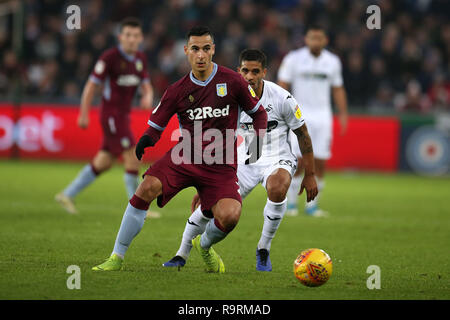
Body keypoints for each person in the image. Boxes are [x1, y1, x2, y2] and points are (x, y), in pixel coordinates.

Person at [91, 26, 268, 273]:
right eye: (195, 49)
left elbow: (259, 114)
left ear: (213, 50)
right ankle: (116, 257)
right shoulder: (177, 90)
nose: (201, 55)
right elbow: (156, 124)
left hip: (221, 165)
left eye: (206, 48)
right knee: (146, 187)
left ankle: (203, 245)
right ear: (186, 51)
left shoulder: (233, 81)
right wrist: (145, 140)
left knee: (230, 216)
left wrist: (257, 143)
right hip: (185, 156)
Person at [162, 49, 318, 271]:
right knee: (210, 208)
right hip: (246, 157)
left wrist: (310, 175)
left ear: (264, 72)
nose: (250, 76)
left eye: (256, 71)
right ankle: (182, 254)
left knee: (278, 187)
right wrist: (207, 181)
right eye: (245, 70)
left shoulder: (282, 98)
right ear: (239, 71)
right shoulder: (229, 100)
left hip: (278, 158)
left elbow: (303, 134)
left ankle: (263, 249)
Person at [55, 17, 160, 218]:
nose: (131, 39)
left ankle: (67, 195)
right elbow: (91, 86)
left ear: (140, 38)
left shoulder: (140, 59)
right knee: (132, 156)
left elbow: (146, 83)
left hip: (123, 115)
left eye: (135, 36)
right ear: (120, 37)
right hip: (111, 115)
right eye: (127, 35)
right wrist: (83, 113)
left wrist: (147, 94)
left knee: (104, 162)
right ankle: (137, 209)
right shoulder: (109, 58)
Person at [278, 24, 348, 217]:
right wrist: (280, 111)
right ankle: (291, 205)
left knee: (320, 161)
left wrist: (342, 113)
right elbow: (282, 85)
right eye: (312, 38)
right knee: (298, 160)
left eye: (319, 38)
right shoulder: (293, 59)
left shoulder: (332, 61)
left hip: (323, 116)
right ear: (306, 40)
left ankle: (312, 207)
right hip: (299, 116)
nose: (315, 41)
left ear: (325, 40)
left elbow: (337, 88)